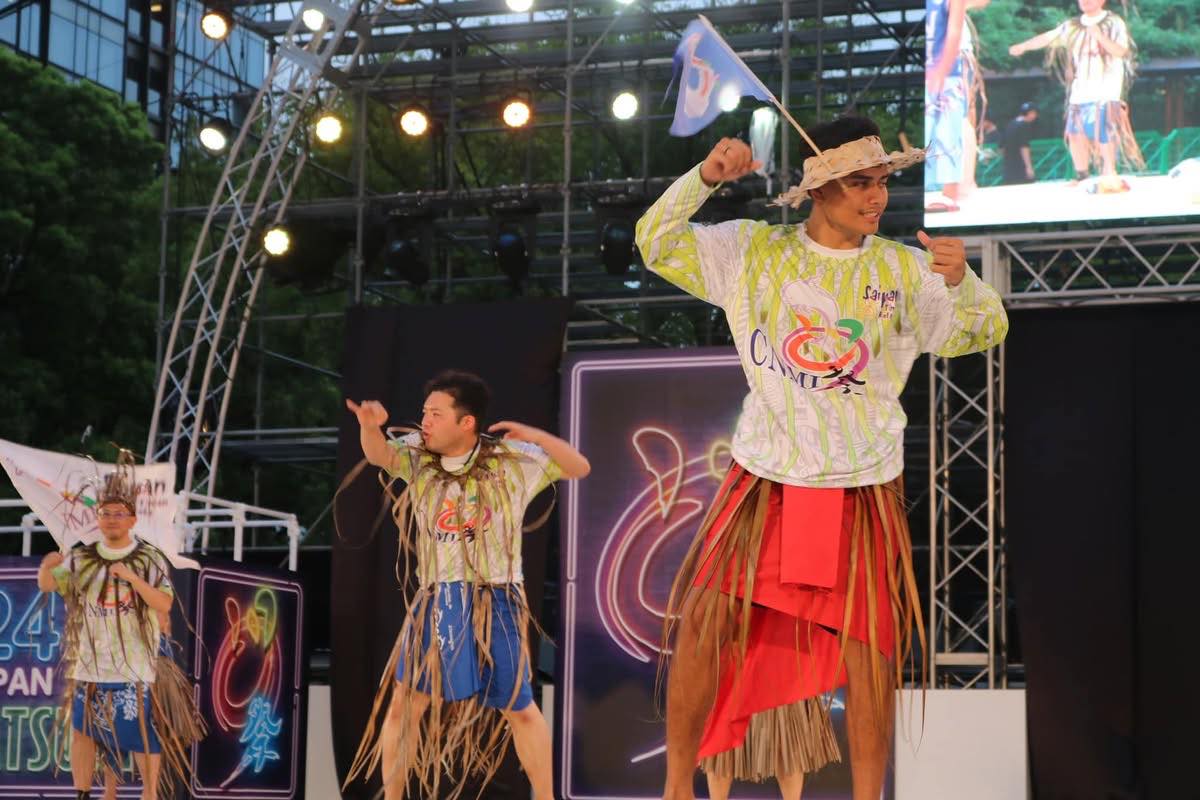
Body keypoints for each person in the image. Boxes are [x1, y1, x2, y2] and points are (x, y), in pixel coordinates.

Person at [635, 116, 1008, 800]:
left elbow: (983, 330)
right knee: (704, 622)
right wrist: (705, 179)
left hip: (862, 484)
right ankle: (675, 790)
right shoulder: (752, 251)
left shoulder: (904, 270)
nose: (876, 198)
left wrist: (963, 285)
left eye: (882, 183)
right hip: (765, 478)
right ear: (821, 188)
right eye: (861, 183)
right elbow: (654, 242)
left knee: (870, 650)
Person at [343, 370, 590, 800]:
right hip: (438, 595)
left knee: (520, 708)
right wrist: (369, 427)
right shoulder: (417, 455)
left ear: (467, 422)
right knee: (405, 703)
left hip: (497, 595)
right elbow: (381, 455)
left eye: (436, 414)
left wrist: (535, 435)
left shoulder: (512, 460)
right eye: (424, 413)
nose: (426, 422)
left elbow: (578, 466)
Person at [37, 452, 204, 800]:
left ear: (132, 520)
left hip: (135, 664)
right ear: (96, 518)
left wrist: (130, 578)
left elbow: (165, 603)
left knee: (140, 732)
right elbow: (53, 586)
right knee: (85, 731)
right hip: (92, 662)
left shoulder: (148, 557)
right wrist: (48, 567)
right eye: (105, 514)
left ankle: (149, 793)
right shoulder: (83, 557)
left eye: (118, 514)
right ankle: (84, 793)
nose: (111, 519)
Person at [1009, 0, 1143, 191]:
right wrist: (1023, 46)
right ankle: (1082, 175)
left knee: (1104, 131)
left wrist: (1098, 36)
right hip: (1081, 90)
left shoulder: (1114, 22)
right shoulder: (1072, 25)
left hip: (1106, 89)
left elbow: (1121, 51)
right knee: (1074, 133)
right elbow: (1049, 37)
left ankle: (1109, 172)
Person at [924, 0, 991, 211]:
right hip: (935, 60)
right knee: (955, 122)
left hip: (952, 61)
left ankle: (963, 184)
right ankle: (963, 184)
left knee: (958, 122)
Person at [1002, 102, 1040, 184]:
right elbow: (1024, 147)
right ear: (1031, 113)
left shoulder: (1010, 124)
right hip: (1020, 167)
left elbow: (1001, 146)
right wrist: (1028, 167)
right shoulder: (1024, 126)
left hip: (1008, 168)